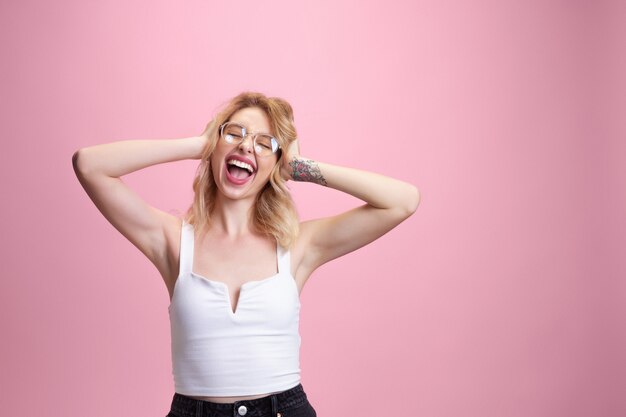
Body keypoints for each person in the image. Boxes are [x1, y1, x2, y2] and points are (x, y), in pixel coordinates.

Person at [72, 91, 419, 417]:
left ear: (275, 165)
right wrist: (197, 145)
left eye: (264, 143)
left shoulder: (298, 245)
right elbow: (89, 165)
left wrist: (298, 166)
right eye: (234, 133)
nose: (246, 146)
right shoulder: (174, 241)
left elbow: (402, 201)